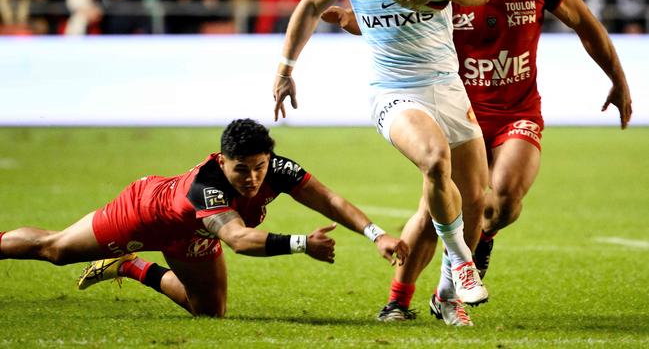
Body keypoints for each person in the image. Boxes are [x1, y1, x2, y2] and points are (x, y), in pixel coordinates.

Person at [322, 0, 633, 326]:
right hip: (455, 110)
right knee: (433, 213)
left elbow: (584, 21)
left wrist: (618, 78)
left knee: (502, 201)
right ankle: (399, 299)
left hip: (516, 112)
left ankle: (464, 265)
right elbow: (391, 16)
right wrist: (351, 20)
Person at [272, 0, 491, 326]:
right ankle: (464, 264)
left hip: (448, 88)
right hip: (393, 92)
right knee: (434, 161)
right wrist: (285, 70)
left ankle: (446, 296)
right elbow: (309, 6)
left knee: (474, 201)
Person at [0, 119, 408, 317]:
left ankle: (132, 267)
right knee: (53, 250)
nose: (252, 178)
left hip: (191, 234)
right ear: (222, 159)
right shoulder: (207, 186)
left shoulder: (277, 169)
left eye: (260, 167)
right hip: (143, 214)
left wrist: (376, 235)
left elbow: (331, 201)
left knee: (210, 313)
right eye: (242, 169)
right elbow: (238, 239)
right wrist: (302, 243)